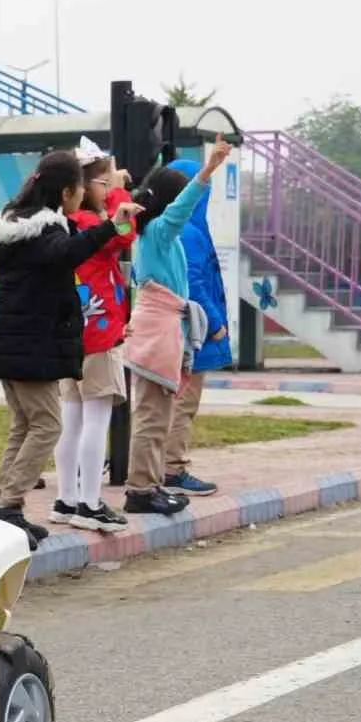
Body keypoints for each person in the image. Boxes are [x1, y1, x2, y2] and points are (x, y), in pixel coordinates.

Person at [0, 151, 143, 547]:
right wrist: (112, 224)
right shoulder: (45, 233)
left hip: (11, 345)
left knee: (25, 425)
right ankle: (10, 506)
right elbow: (66, 251)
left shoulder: (16, 230)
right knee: (47, 425)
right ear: (68, 192)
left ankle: (4, 502)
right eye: (80, 190)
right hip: (31, 347)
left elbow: (64, 248)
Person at [121, 136, 234, 516]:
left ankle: (150, 485)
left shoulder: (157, 235)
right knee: (153, 417)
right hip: (158, 333)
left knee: (159, 414)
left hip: (165, 331)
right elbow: (182, 208)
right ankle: (141, 489)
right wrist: (208, 169)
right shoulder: (160, 232)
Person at [50, 138, 137, 533]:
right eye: (102, 181)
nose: (110, 186)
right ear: (84, 188)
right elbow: (125, 233)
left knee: (72, 419)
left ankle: (66, 498)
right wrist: (120, 190)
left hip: (76, 334)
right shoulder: (92, 224)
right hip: (100, 338)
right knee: (96, 419)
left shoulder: (71, 223)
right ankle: (89, 501)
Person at [160, 156, 233, 496]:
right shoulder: (189, 232)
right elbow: (194, 283)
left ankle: (164, 465)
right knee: (183, 402)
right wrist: (216, 324)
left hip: (183, 330)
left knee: (171, 402)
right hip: (192, 332)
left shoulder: (181, 228)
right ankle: (172, 469)